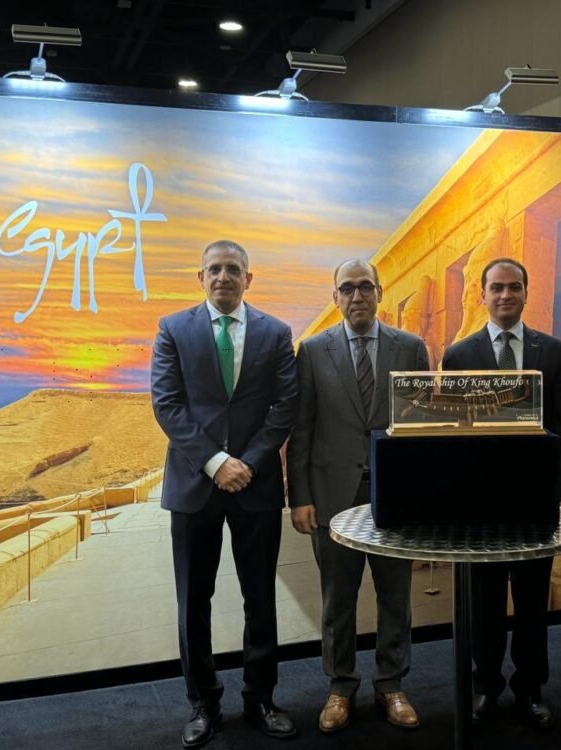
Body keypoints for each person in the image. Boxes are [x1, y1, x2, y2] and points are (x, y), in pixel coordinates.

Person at [151, 240, 298, 747]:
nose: (223, 277)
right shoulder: (173, 329)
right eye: (214, 269)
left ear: (248, 279)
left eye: (233, 269)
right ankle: (203, 704)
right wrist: (216, 463)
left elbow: (285, 406)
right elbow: (168, 405)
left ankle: (261, 698)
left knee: (260, 597)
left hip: (256, 486)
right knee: (194, 601)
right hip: (195, 485)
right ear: (200, 277)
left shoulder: (276, 333)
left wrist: (247, 463)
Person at [287, 259, 429, 733]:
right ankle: (340, 687)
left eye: (365, 287)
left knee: (396, 597)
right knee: (338, 598)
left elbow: (422, 429)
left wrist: (424, 498)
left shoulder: (410, 348)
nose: (356, 296)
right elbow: (301, 429)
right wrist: (299, 496)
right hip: (332, 497)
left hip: (395, 496)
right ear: (335, 298)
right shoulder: (312, 351)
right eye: (346, 289)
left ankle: (391, 684)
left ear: (380, 292)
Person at [441, 257, 561, 731]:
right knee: (484, 603)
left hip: (536, 502)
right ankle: (485, 687)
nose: (505, 295)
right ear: (482, 295)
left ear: (526, 292)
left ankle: (531, 689)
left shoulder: (554, 352)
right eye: (496, 288)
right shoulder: (459, 356)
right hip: (480, 506)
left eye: (514, 287)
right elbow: (451, 436)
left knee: (533, 601)